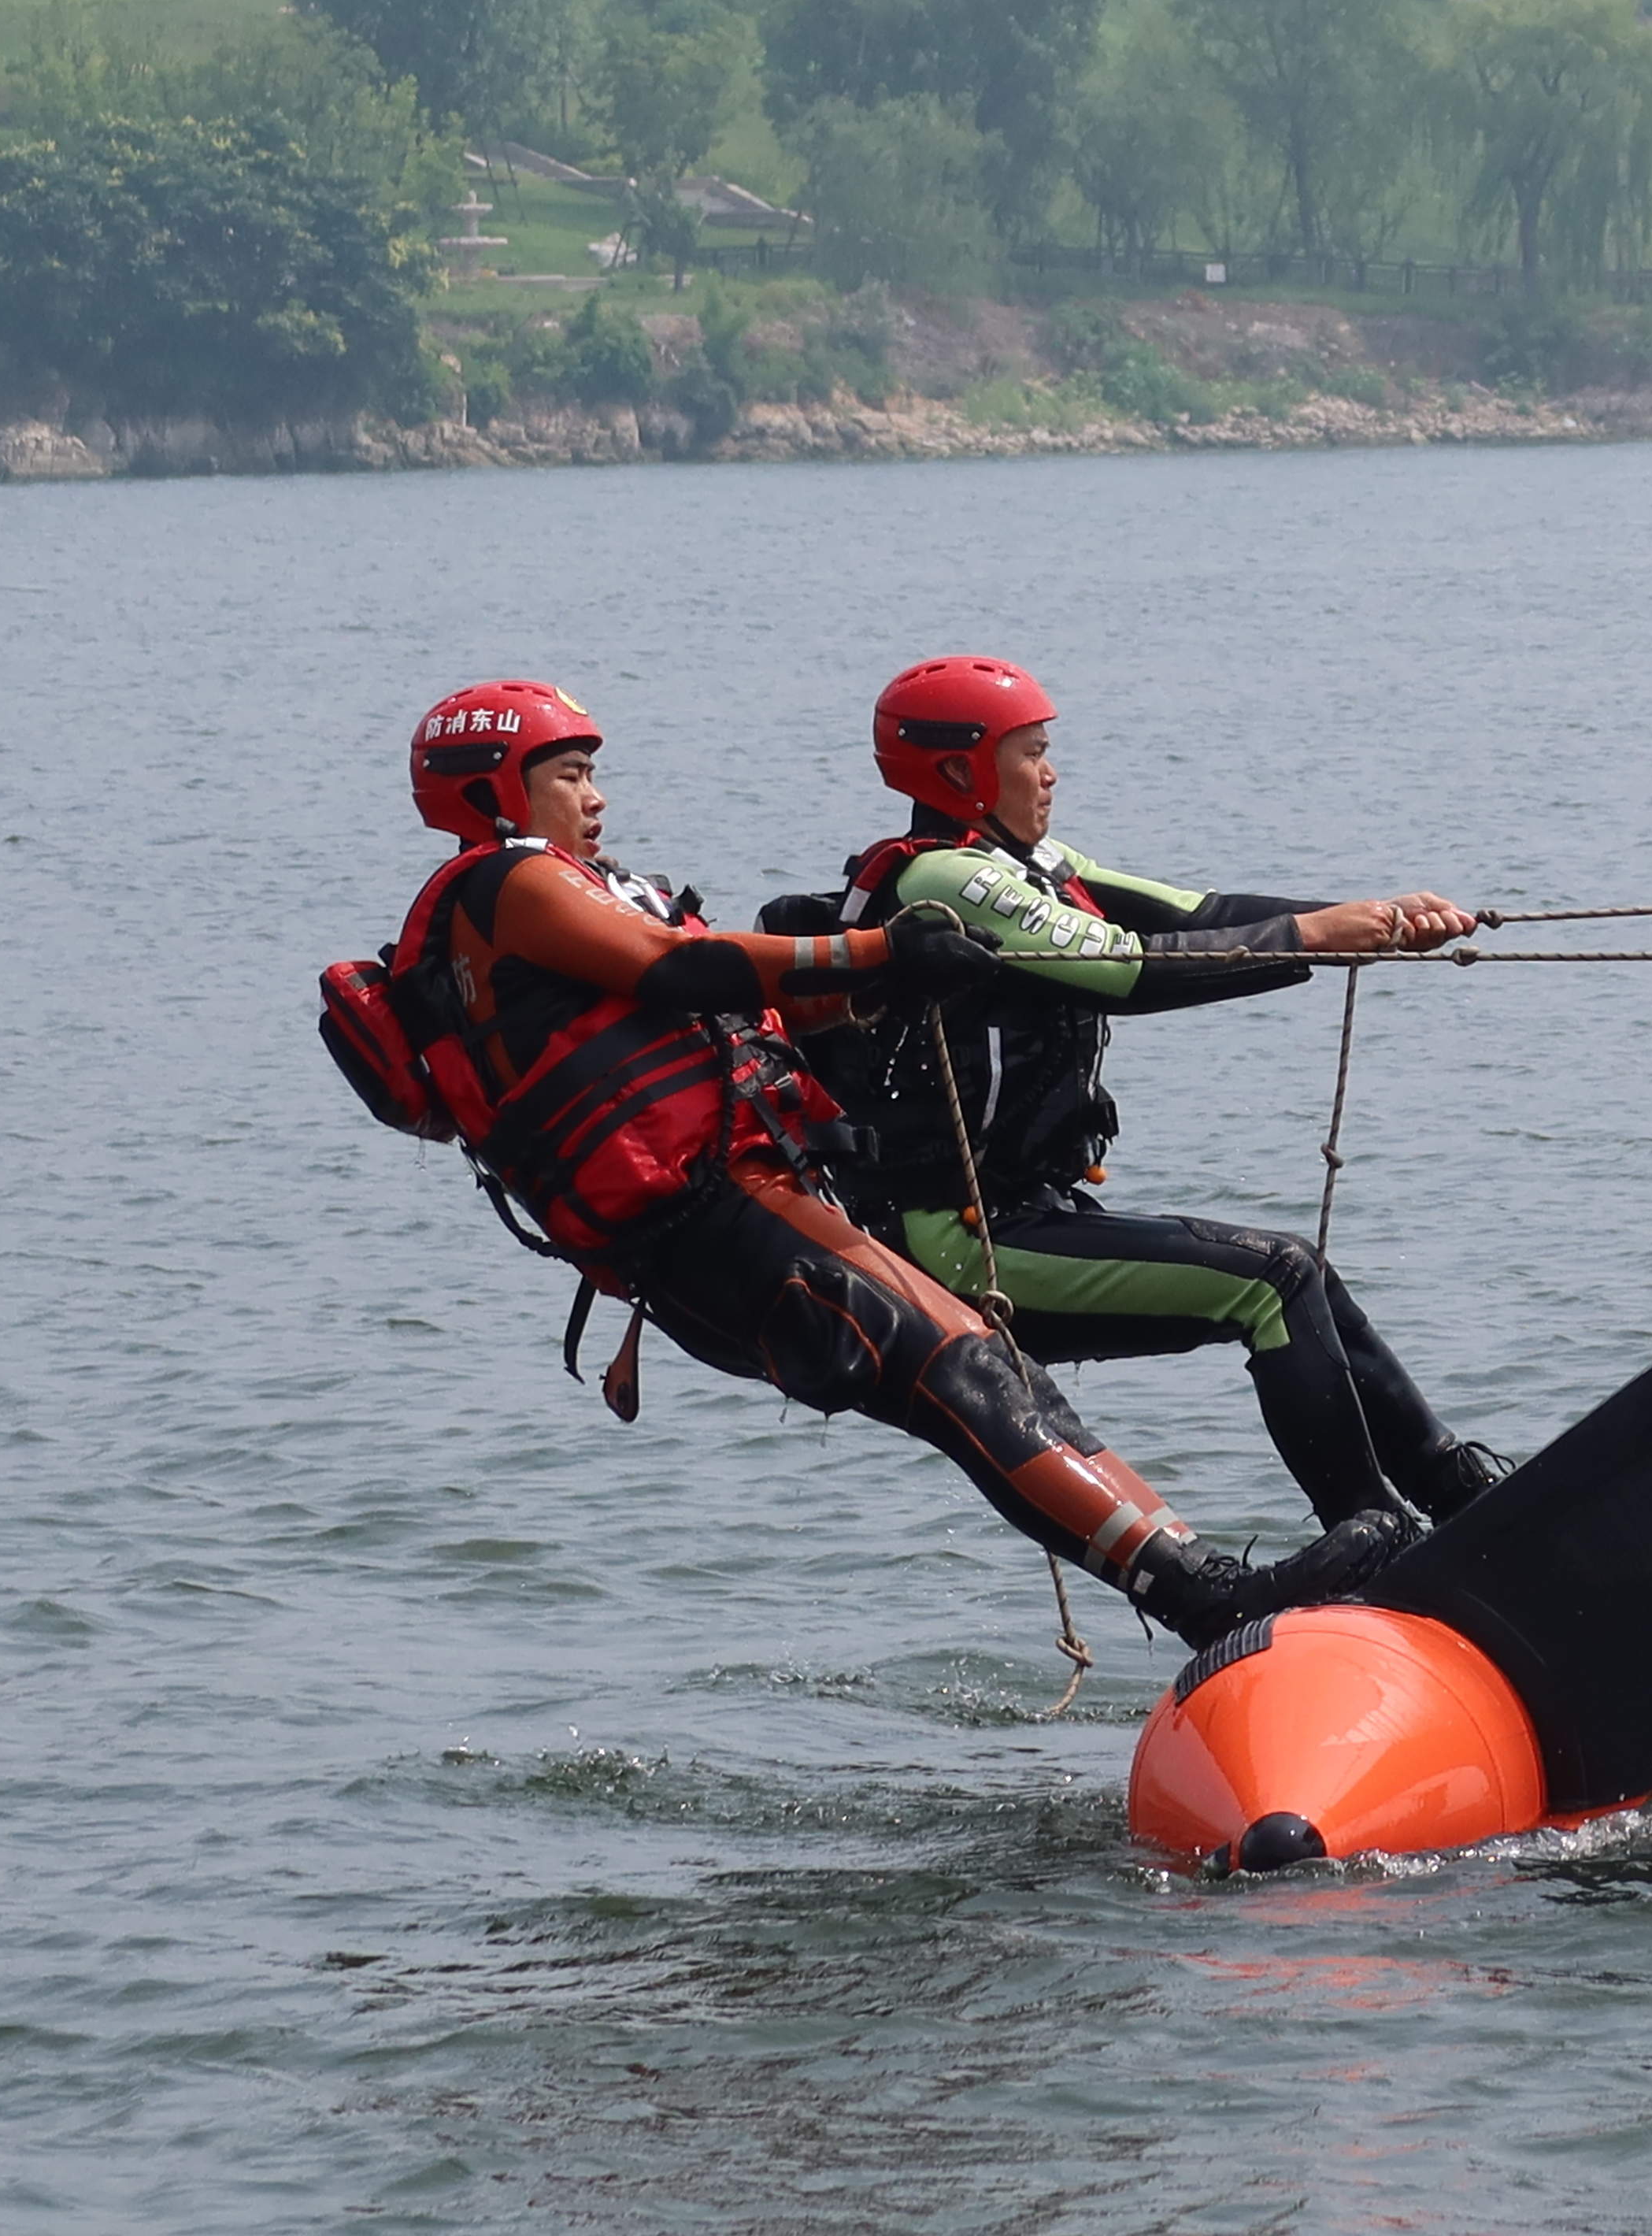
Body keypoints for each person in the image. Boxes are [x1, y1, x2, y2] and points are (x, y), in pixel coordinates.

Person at [325, 680, 1403, 1648]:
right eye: (570, 774)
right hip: (717, 1219)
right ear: (493, 796)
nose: (595, 796)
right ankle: (1210, 1596)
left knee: (979, 1380)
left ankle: (1206, 1595)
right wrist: (883, 948)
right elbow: (673, 965)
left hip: (722, 1230)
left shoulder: (555, 892)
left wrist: (882, 985)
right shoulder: (506, 883)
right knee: (968, 1368)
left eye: (594, 773)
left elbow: (751, 998)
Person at [803, 655, 1509, 1532]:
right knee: (1272, 1281)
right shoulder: (947, 883)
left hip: (1028, 1215)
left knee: (1302, 1275)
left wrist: (1374, 917)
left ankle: (1463, 1499)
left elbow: (1193, 913)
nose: (1050, 772)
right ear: (958, 772)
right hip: (957, 1247)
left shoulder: (1032, 866)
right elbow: (1128, 972)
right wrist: (1312, 938)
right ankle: (1374, 1534)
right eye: (1030, 754)